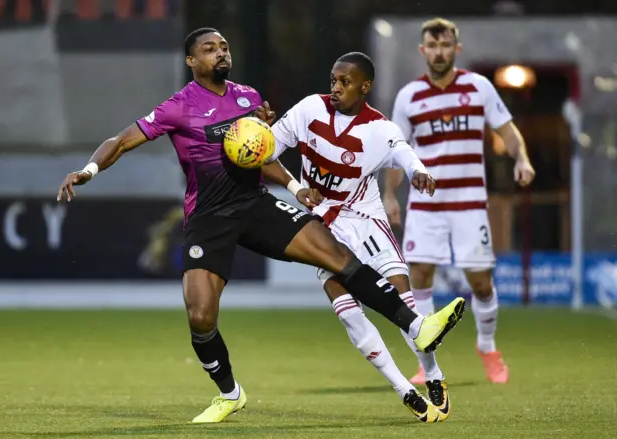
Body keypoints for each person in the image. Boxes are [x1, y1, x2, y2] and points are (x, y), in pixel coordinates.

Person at [56, 28, 466, 424]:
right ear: (191, 60)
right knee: (200, 316)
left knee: (336, 256)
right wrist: (89, 169)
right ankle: (230, 393)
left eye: (224, 46)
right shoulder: (178, 106)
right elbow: (124, 139)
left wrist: (293, 185)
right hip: (208, 218)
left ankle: (417, 325)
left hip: (254, 205)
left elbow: (260, 151)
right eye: (210, 48)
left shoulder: (248, 97)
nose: (221, 53)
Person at [263, 52, 452, 423]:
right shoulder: (308, 110)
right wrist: (293, 183)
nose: (335, 88)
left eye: (344, 82)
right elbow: (265, 151)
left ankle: (433, 375)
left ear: (365, 87)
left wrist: (419, 173)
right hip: (322, 224)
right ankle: (404, 389)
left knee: (403, 302)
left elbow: (404, 153)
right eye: (333, 80)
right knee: (348, 313)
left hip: (364, 218)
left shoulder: (379, 129)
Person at [383, 18, 536, 384]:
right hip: (426, 203)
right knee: (419, 276)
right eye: (432, 47)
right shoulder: (409, 96)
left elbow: (507, 130)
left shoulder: (478, 87)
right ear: (423, 51)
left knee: (481, 282)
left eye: (445, 45)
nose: (439, 52)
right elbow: (397, 151)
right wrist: (390, 194)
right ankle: (427, 361)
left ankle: (487, 346)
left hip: (469, 202)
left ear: (456, 48)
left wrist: (522, 158)